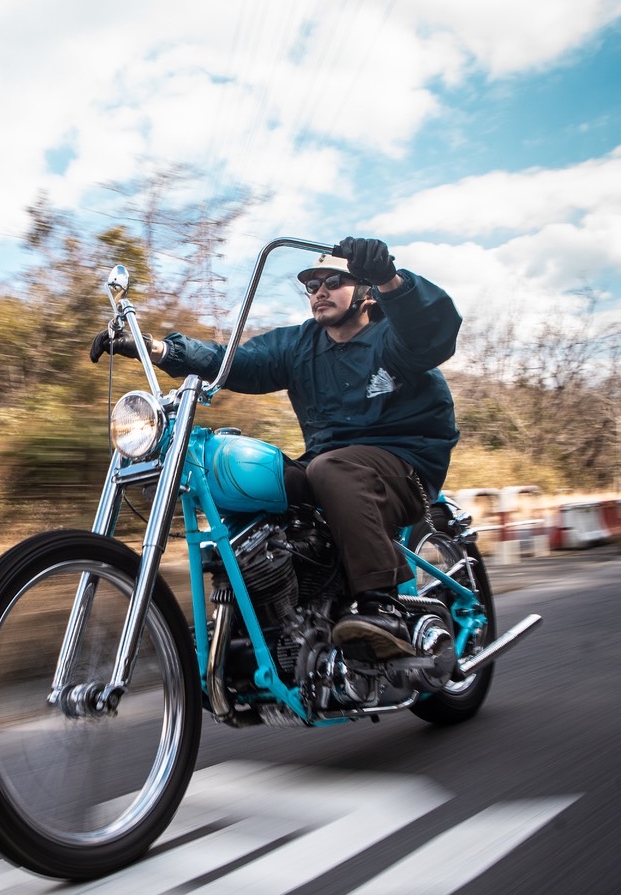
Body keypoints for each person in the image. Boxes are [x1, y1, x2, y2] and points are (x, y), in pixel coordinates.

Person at [89, 236, 462, 660]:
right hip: (330, 464)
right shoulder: (299, 344)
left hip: (405, 463)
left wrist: (391, 279)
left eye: (334, 280)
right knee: (246, 478)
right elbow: (235, 362)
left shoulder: (394, 336)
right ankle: (269, 613)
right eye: (312, 285)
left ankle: (383, 607)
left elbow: (432, 333)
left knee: (330, 469)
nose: (320, 291)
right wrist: (159, 350)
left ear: (366, 291)